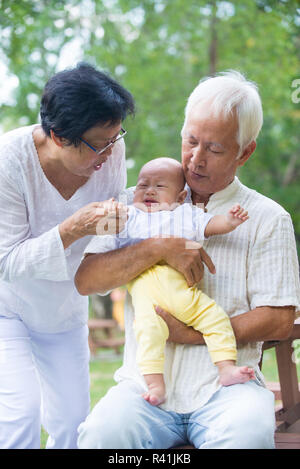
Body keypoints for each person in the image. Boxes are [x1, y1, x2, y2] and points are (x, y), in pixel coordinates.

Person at [75, 71, 300, 449]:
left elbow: (278, 316)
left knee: (247, 435)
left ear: (245, 152)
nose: (195, 159)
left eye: (214, 149)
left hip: (227, 391)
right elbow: (86, 280)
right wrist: (157, 248)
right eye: (191, 141)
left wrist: (191, 334)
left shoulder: (267, 217)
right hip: (142, 388)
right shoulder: (131, 199)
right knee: (101, 435)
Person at [0, 62, 134, 449]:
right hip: (8, 309)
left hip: (64, 310)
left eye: (116, 137)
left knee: (74, 424)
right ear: (58, 137)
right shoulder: (10, 162)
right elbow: (6, 262)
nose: (110, 152)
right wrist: (70, 230)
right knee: (19, 414)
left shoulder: (109, 149)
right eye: (99, 143)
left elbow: (107, 233)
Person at [84, 156, 255, 406]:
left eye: (159, 186)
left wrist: (229, 221)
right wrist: (108, 213)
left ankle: (226, 367)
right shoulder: (129, 217)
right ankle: (155, 386)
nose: (149, 190)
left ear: (180, 196)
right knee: (148, 334)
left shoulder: (186, 215)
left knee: (216, 318)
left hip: (183, 292)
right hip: (146, 296)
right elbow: (103, 231)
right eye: (143, 185)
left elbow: (212, 225)